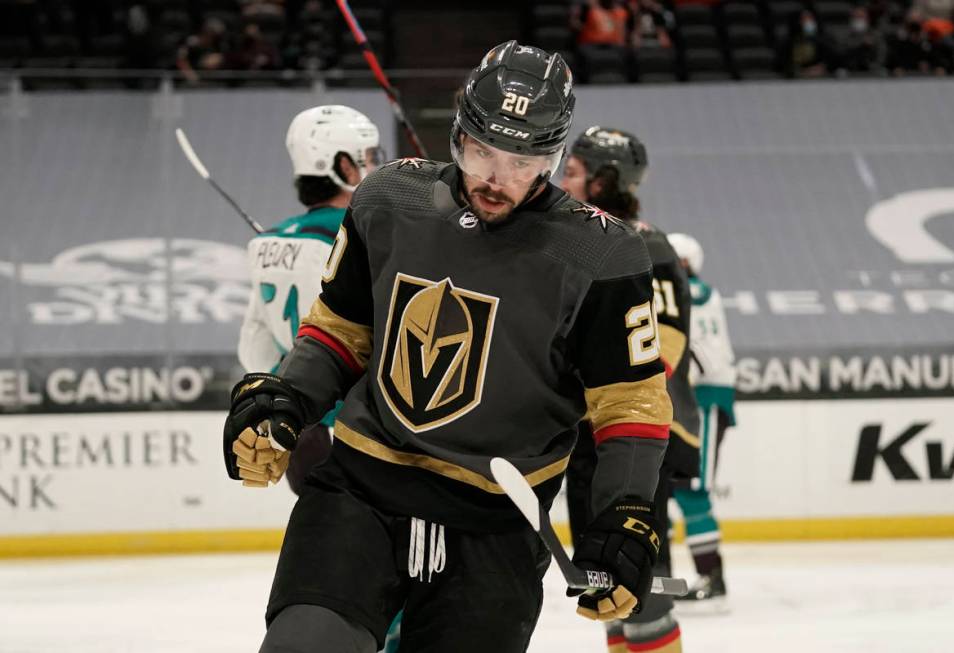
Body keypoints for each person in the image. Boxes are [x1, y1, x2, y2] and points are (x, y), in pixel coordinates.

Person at [223, 40, 673, 653]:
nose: (494, 177)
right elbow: (339, 330)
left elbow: (630, 405)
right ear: (458, 131)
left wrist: (624, 513)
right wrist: (288, 395)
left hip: (496, 527)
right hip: (360, 491)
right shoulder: (388, 200)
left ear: (553, 155)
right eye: (481, 150)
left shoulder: (603, 255)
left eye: (520, 162)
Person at [561, 126, 697, 653]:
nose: (560, 183)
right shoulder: (582, 243)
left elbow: (660, 355)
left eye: (571, 174)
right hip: (594, 442)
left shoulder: (645, 245)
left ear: (604, 181)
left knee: (640, 591)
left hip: (640, 442)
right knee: (610, 593)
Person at [237, 104, 382, 495]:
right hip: (365, 435)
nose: (376, 165)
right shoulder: (372, 235)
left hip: (302, 434)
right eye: (369, 157)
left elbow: (254, 348)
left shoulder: (266, 243)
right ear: (345, 167)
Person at [668, 233, 737, 612]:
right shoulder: (691, 290)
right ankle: (692, 575)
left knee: (692, 489)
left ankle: (712, 577)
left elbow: (693, 354)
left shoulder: (691, 291)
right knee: (671, 488)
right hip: (691, 399)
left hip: (703, 399)